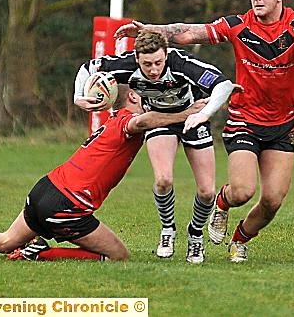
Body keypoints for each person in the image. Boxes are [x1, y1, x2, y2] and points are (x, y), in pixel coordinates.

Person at [114, 0, 294, 262]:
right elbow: (189, 33)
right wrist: (149, 30)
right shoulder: (237, 25)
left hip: (282, 125)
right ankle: (222, 203)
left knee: (272, 201)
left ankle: (240, 238)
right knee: (242, 191)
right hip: (244, 120)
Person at [0, 85, 207, 262]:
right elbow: (146, 122)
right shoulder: (126, 122)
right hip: (67, 205)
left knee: (5, 242)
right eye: (145, 97)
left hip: (45, 188)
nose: (149, 103)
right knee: (119, 256)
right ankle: (40, 253)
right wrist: (187, 112)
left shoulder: (111, 121)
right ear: (131, 98)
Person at [74, 30, 241, 264]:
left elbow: (223, 85)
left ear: (166, 55)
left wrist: (203, 114)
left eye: (158, 63)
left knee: (207, 192)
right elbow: (88, 67)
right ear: (137, 58)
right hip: (159, 119)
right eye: (147, 64)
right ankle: (167, 230)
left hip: (193, 118)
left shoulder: (181, 63)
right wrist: (77, 97)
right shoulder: (125, 64)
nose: (153, 70)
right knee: (163, 180)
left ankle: (195, 236)